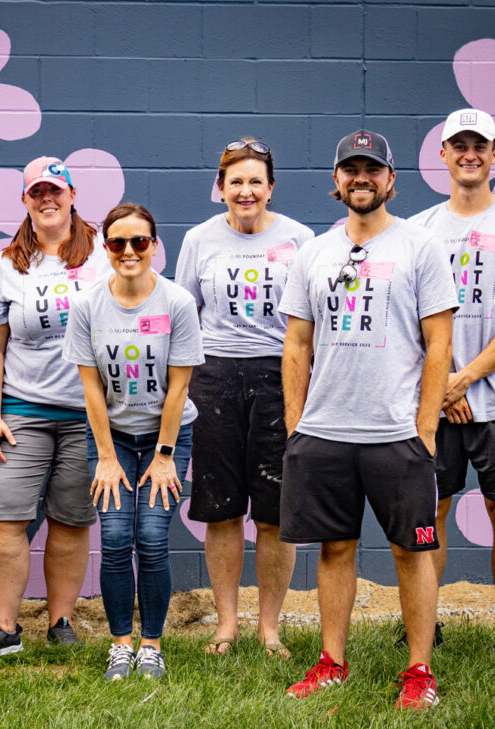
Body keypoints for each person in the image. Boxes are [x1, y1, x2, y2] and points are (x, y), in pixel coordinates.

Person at [278, 131, 456, 710]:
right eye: (350, 169)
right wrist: (295, 425)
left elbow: (439, 345)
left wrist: (425, 429)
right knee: (335, 549)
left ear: (390, 179)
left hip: (396, 434)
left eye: (372, 169)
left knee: (413, 551)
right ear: (336, 180)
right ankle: (333, 662)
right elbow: (296, 345)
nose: (361, 178)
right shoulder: (314, 252)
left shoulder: (421, 247)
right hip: (326, 432)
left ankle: (419, 670)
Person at [409, 108, 495, 671]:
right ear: (442, 155)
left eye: (480, 145)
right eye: (458, 145)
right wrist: (441, 386)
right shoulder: (418, 230)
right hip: (433, 402)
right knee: (432, 513)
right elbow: (407, 320)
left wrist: (462, 378)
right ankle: (426, 625)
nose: (469, 154)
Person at [176, 138, 314, 657]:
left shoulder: (301, 239)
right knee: (221, 509)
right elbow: (183, 313)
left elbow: (311, 318)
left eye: (256, 180)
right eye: (235, 181)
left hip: (280, 378)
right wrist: (187, 382)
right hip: (214, 379)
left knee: (276, 513)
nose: (246, 190)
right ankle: (227, 625)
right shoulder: (198, 239)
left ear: (271, 187)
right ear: (221, 188)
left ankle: (270, 627)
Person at [63, 203, 204, 681]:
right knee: (116, 537)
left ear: (154, 246)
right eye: (118, 242)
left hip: (168, 435)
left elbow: (179, 386)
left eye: (139, 241)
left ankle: (152, 645)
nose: (129, 251)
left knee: (151, 537)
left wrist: (165, 456)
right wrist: (105, 455)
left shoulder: (176, 302)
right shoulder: (86, 305)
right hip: (113, 438)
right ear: (105, 248)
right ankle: (120, 644)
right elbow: (90, 388)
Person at [0, 157, 108, 654]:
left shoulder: (103, 253)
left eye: (56, 190)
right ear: (26, 201)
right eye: (37, 193)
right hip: (23, 411)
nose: (47, 199)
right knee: (3, 520)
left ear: (73, 195)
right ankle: (5, 626)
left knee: (72, 520)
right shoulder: (9, 263)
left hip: (88, 415)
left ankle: (60, 623)